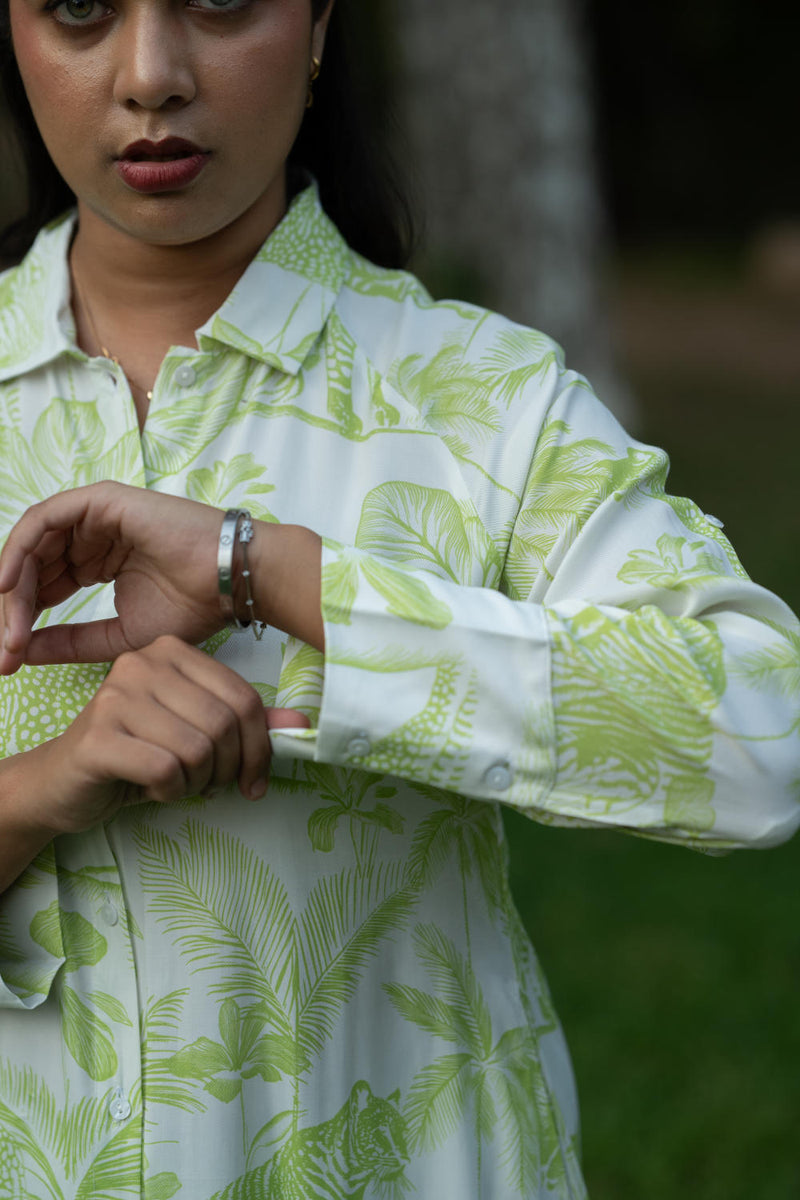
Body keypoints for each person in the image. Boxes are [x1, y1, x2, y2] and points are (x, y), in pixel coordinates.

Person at [0, 0, 797, 1195]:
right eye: (79, 9)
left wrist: (273, 574)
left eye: (221, 1)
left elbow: (758, 731)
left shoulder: (480, 395)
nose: (150, 73)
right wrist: (37, 790)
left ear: (320, 23)